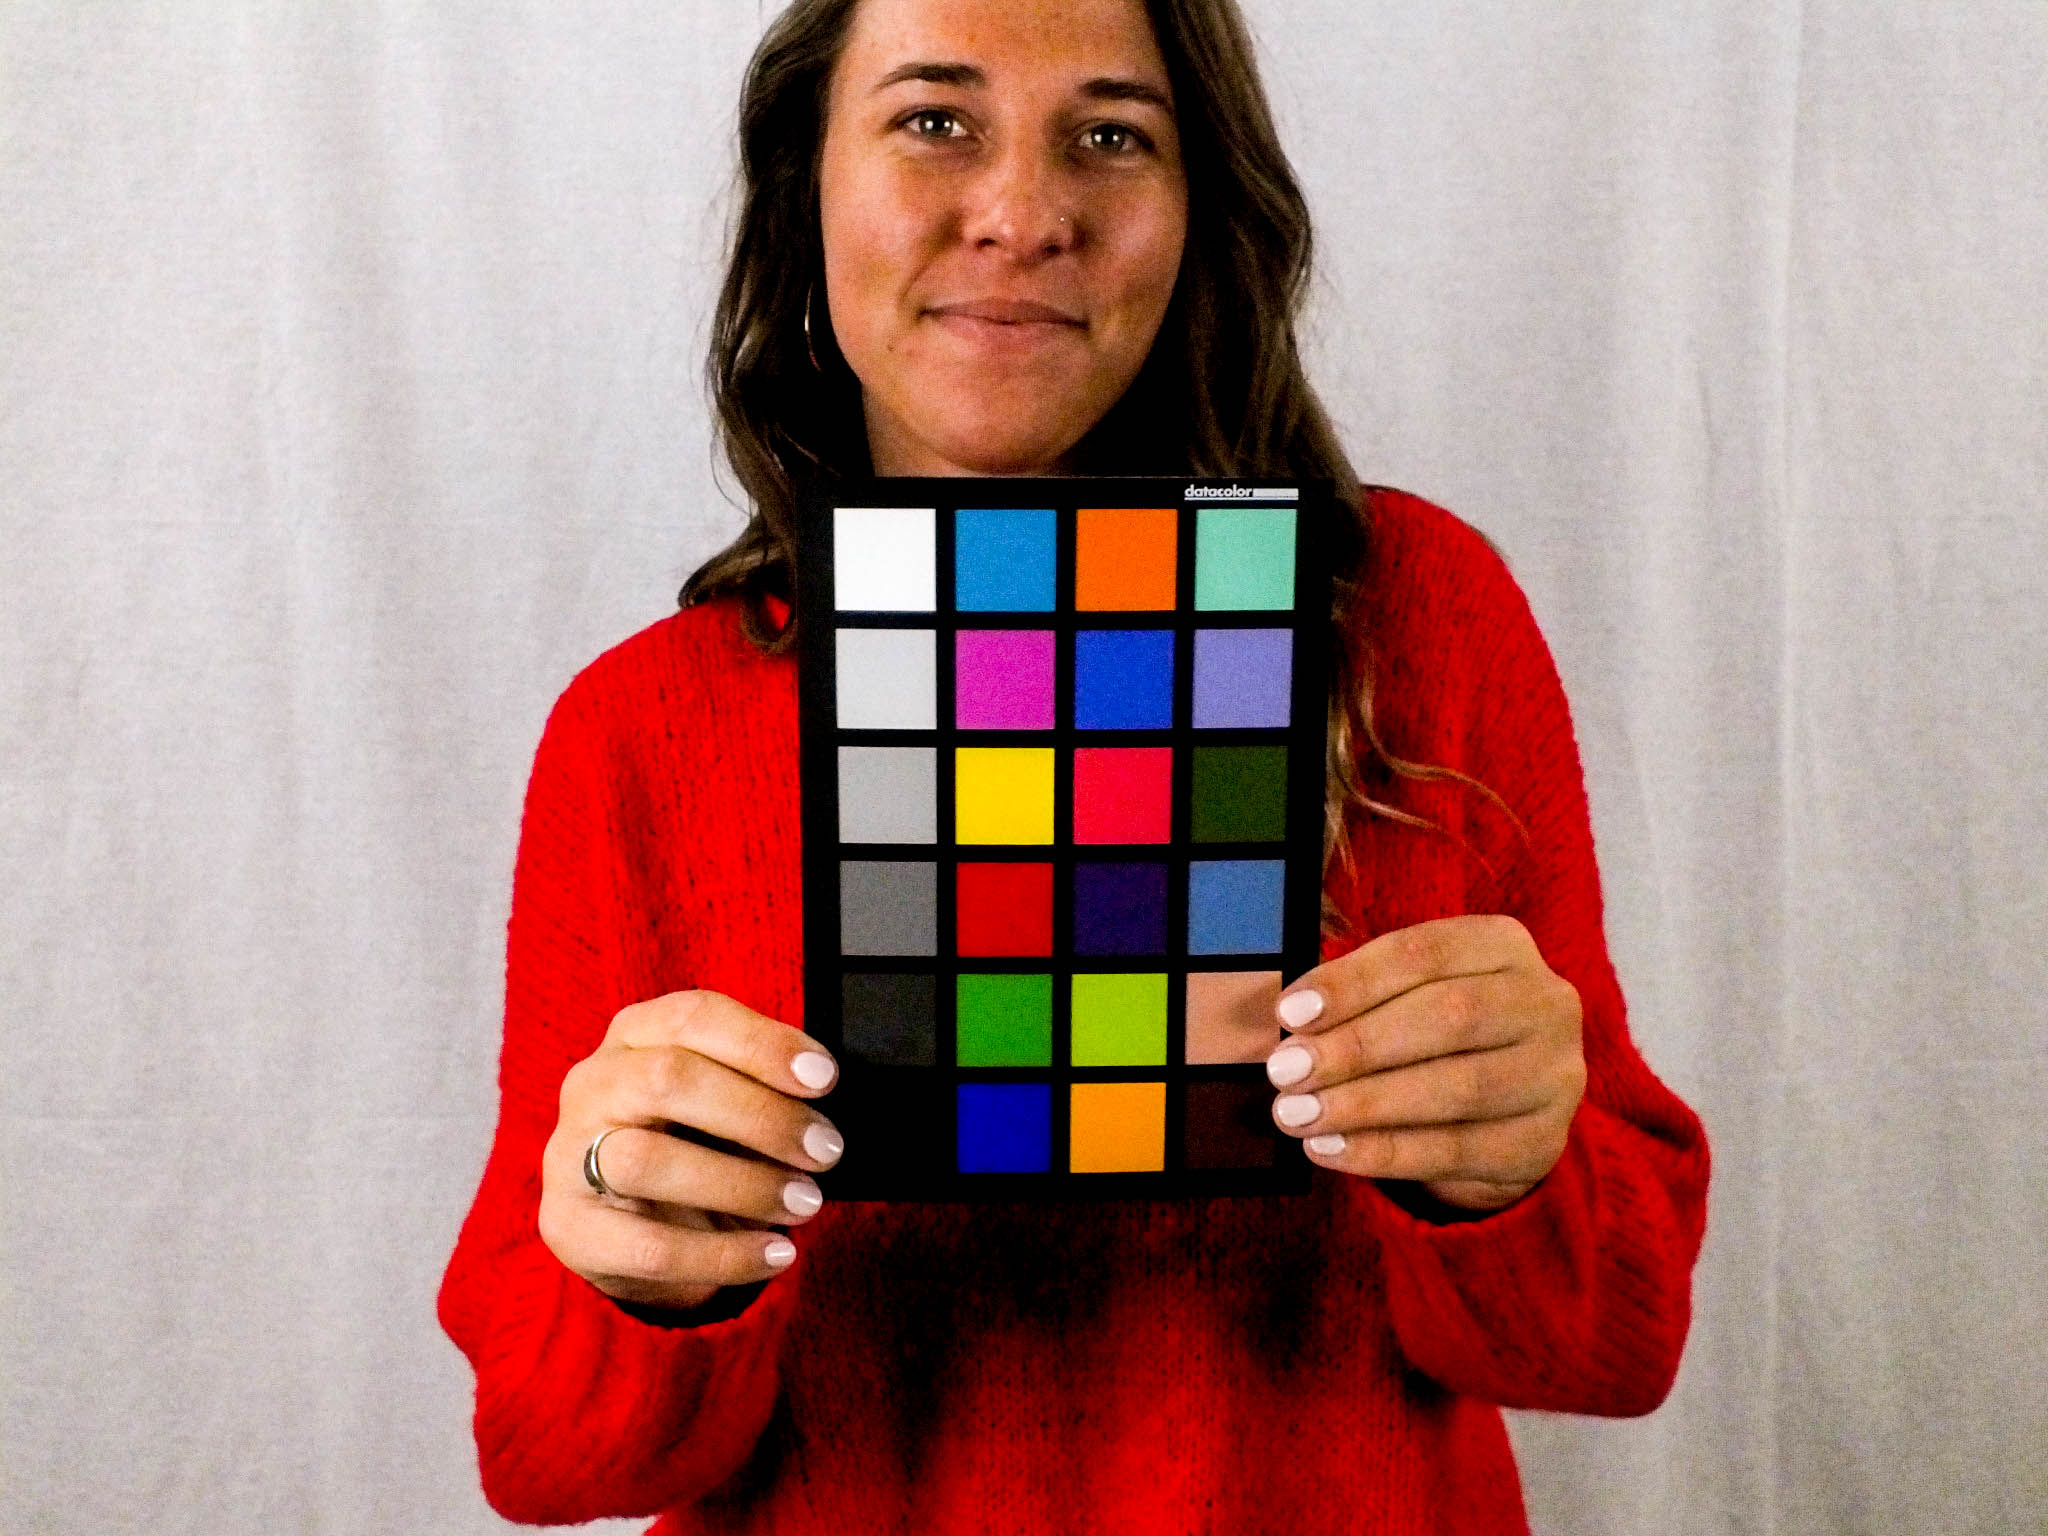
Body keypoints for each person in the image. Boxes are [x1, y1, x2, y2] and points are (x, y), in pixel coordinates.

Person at [438, 0, 1711, 1529]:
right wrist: (638, 1270)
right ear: (804, 186)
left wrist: (1514, 1175)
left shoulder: (1422, 619)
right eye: (934, 121)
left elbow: (1615, 1345)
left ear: (1201, 205)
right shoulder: (640, 728)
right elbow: (547, 1459)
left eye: (1111, 135)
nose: (1024, 215)